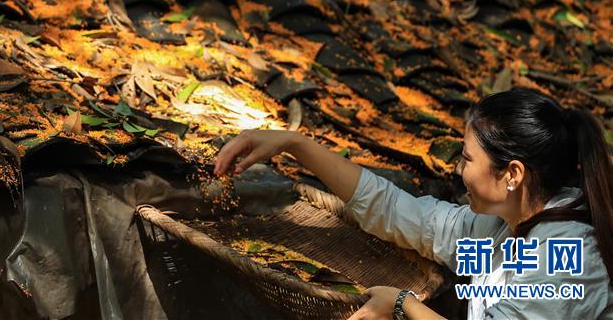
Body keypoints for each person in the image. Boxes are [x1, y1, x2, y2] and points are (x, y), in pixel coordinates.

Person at [213, 87, 612, 319]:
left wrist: (403, 305)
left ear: (512, 175)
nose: (458, 171)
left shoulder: (568, 257)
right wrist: (293, 144)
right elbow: (399, 213)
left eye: (467, 159)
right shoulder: (499, 225)